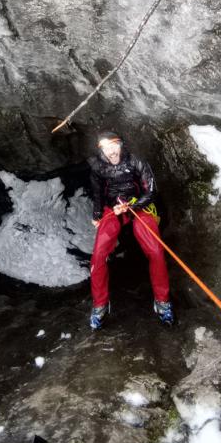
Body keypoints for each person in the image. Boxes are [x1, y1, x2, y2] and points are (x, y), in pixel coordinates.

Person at [87, 130, 173, 330]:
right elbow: (98, 193)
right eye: (106, 148)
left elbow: (151, 191)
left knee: (156, 250)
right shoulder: (97, 167)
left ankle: (162, 301)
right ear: (102, 150)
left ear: (121, 145)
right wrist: (97, 215)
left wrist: (132, 207)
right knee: (98, 255)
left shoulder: (136, 162)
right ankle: (100, 305)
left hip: (138, 206)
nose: (111, 151)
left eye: (114, 145)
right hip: (112, 209)